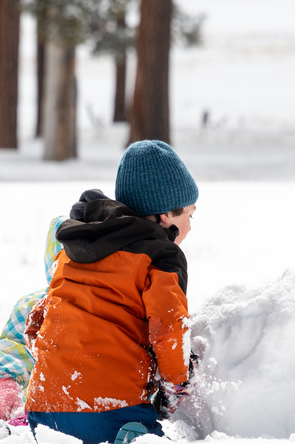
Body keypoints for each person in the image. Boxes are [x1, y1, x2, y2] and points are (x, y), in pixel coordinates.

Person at [24, 140, 199, 444]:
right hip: (109, 409)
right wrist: (177, 383)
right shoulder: (162, 257)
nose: (191, 226)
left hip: (42, 406)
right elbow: (168, 327)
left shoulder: (75, 246)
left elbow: (37, 319)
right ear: (167, 215)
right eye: (190, 215)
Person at [0, 190, 109, 423]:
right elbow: (15, 346)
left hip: (101, 404)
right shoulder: (31, 307)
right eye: (65, 264)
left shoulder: (111, 303)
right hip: (45, 404)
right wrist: (8, 384)